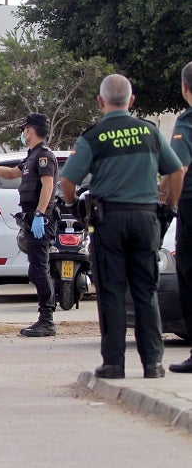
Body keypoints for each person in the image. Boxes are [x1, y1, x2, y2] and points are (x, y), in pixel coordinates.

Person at [60, 74, 183, 379]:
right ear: (132, 101)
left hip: (109, 221)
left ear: (100, 102)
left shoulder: (94, 136)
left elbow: (67, 181)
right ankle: (153, 364)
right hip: (145, 220)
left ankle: (114, 363)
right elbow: (177, 170)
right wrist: (169, 205)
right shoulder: (150, 133)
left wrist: (75, 204)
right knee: (145, 290)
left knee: (112, 292)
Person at [0, 112, 60, 337]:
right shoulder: (31, 156)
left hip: (41, 218)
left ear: (30, 130)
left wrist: (41, 214)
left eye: (24, 129)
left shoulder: (44, 157)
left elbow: (48, 186)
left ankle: (47, 319)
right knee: (36, 268)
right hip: (32, 217)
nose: (23, 133)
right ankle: (45, 317)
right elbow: (13, 173)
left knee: (39, 269)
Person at [168, 61, 192, 373]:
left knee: (189, 277)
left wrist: (168, 203)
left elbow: (179, 169)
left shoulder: (186, 123)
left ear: (185, 88)